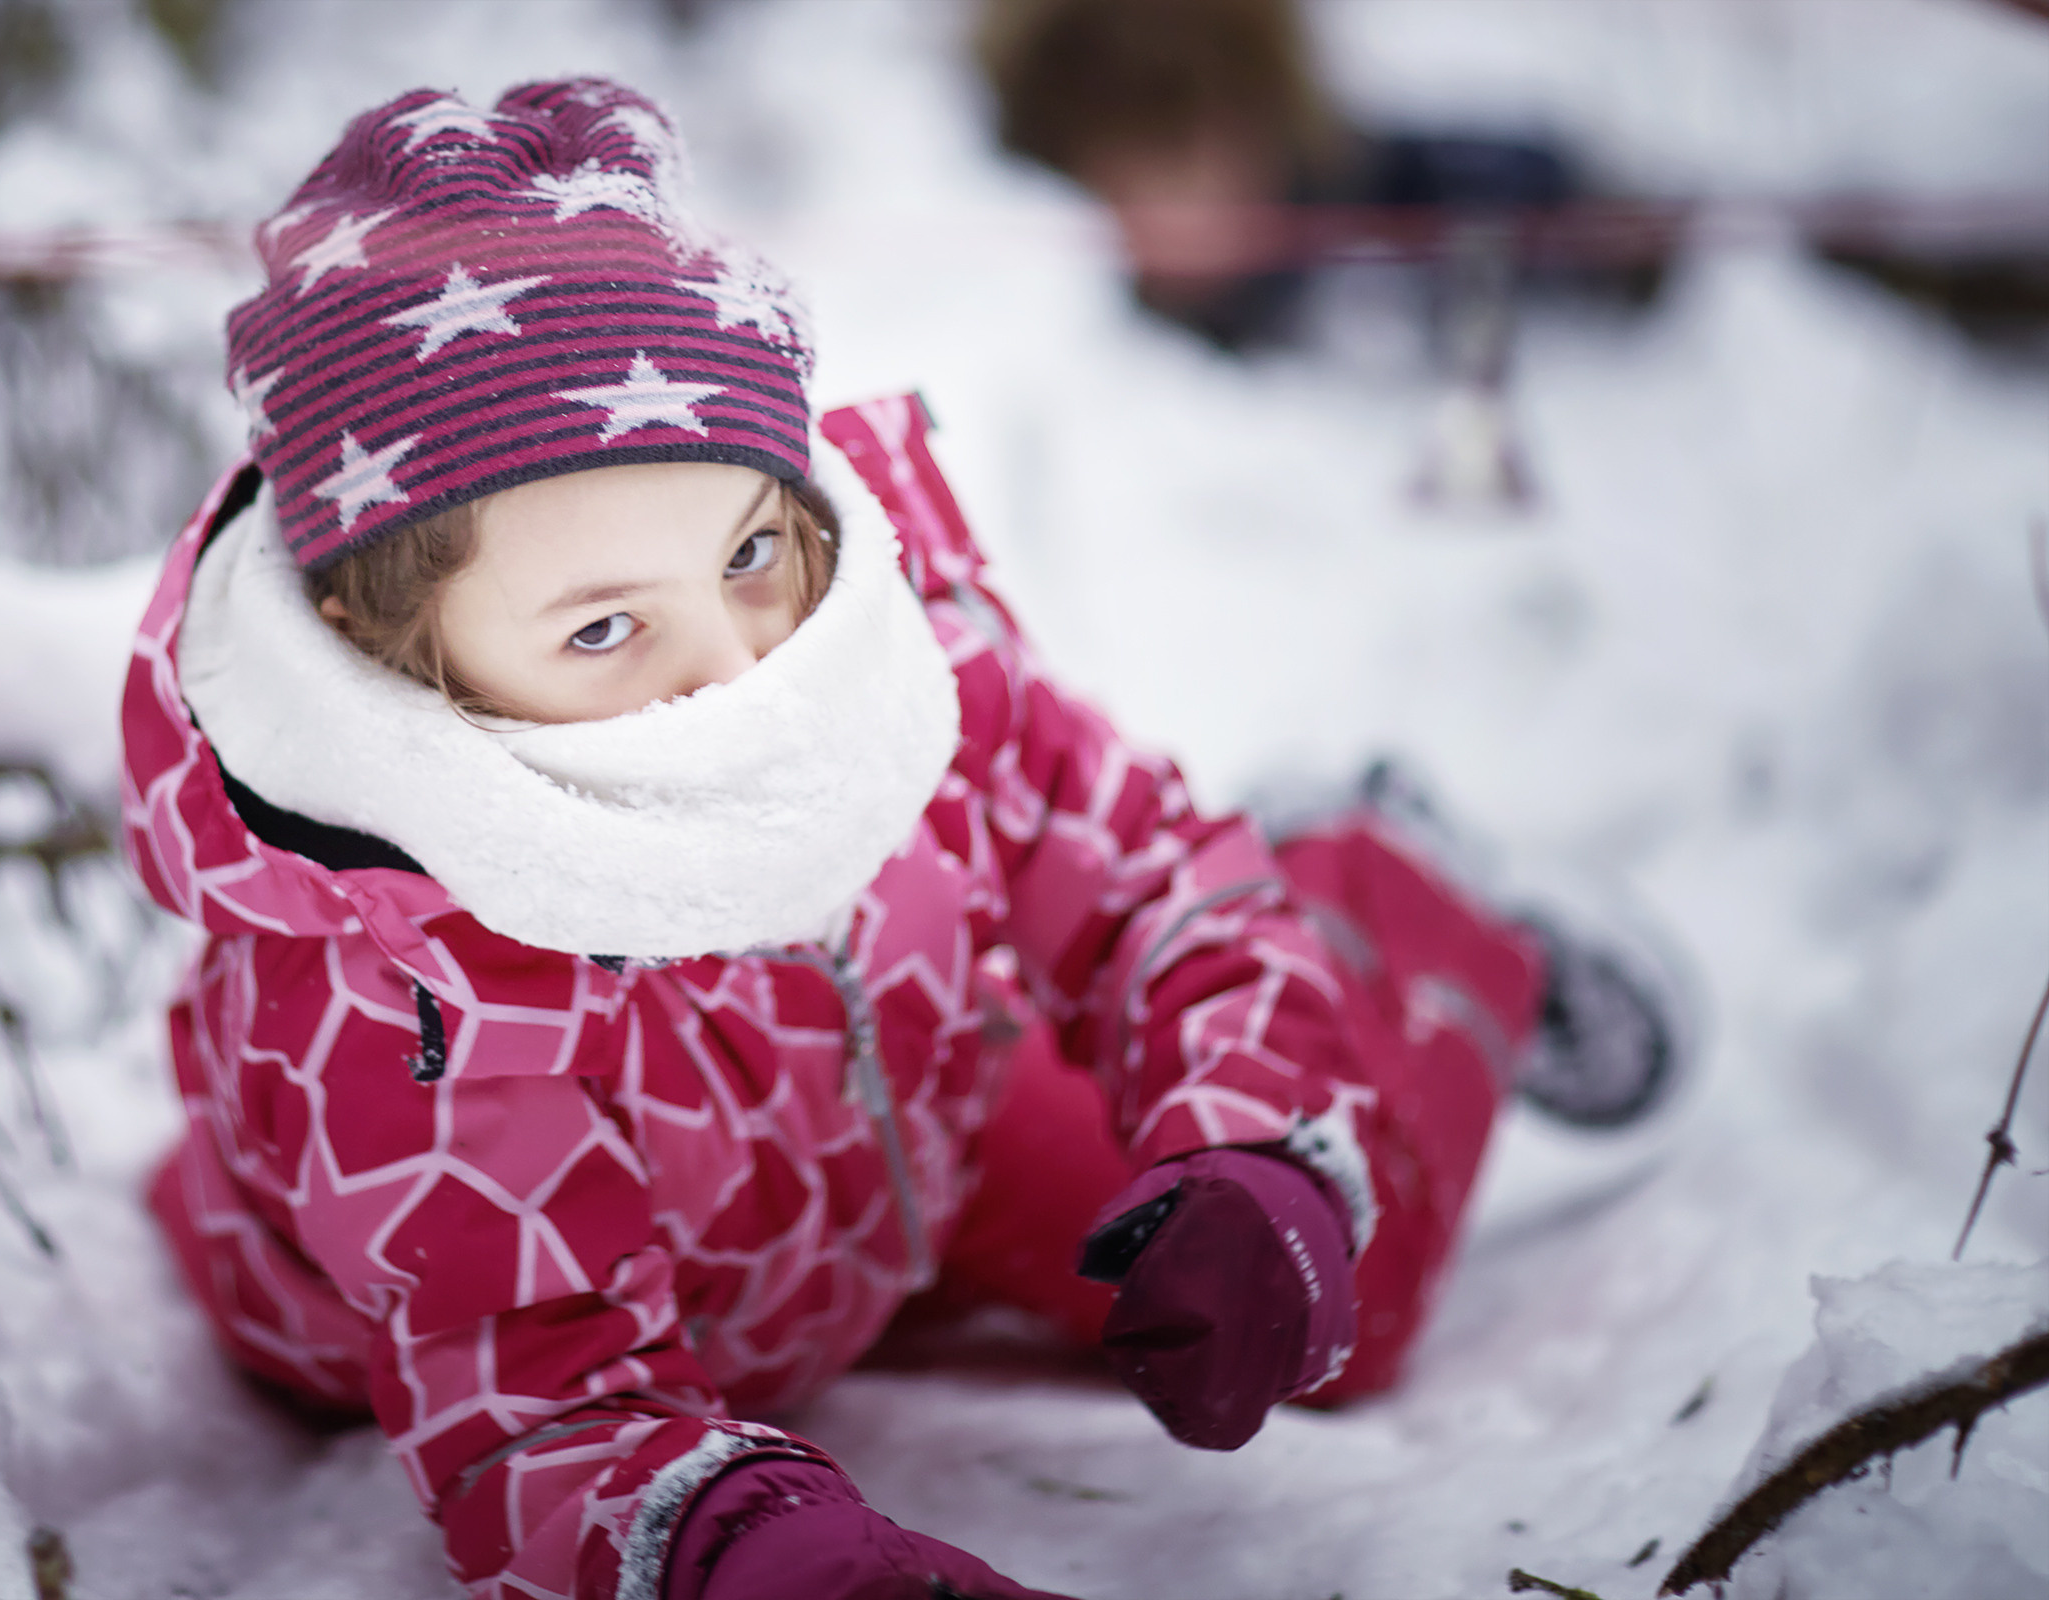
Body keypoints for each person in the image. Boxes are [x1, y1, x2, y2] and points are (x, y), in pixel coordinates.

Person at [119, 80, 1678, 1600]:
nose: (739, 671)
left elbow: (1144, 879)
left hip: (901, 1117)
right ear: (397, 649)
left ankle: (1395, 892)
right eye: (605, 628)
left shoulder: (886, 658)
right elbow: (542, 1402)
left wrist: (1256, 1146)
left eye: (748, 553)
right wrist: (735, 1542)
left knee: (1336, 1285)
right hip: (617, 1267)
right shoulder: (396, 991)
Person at [976, 0, 1664, 352]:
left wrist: (1599, 230)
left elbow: (1481, 181)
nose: (1168, 217)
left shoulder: (1346, 195)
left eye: (1191, 165)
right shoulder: (1057, 293)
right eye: (1123, 186)